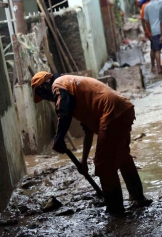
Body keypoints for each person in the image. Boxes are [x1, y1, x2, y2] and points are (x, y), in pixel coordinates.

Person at [31, 72, 150, 215]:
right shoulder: (74, 89)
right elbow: (88, 131)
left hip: (111, 112)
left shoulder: (58, 84)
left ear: (45, 84)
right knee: (123, 157)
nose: (46, 98)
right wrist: (83, 162)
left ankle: (115, 210)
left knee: (103, 164)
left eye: (42, 94)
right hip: (123, 108)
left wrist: (58, 138)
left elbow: (63, 112)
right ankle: (137, 198)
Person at [144, 0, 162, 74]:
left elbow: (146, 21)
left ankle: (159, 68)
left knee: (157, 50)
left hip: (154, 31)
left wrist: (150, 31)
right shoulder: (161, 3)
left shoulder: (147, 7)